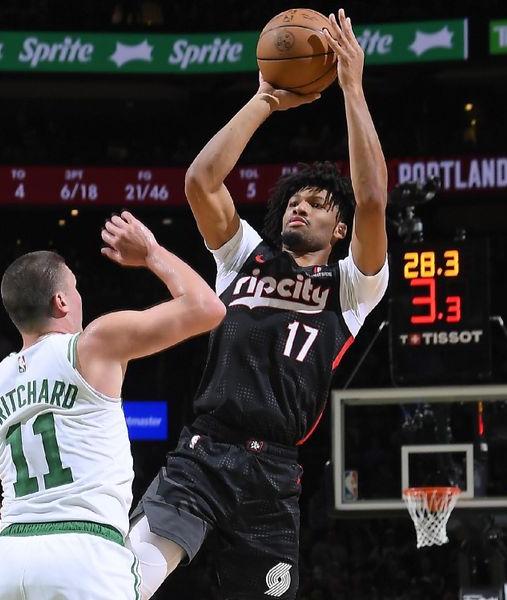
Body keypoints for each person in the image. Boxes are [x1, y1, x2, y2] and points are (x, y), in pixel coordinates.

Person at [127, 9, 389, 599]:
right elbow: (201, 181)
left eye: (319, 203)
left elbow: (372, 198)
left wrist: (352, 88)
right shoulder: (243, 257)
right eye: (295, 199)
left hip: (273, 474)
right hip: (204, 453)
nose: (301, 207)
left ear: (340, 229)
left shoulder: (352, 288)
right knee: (128, 579)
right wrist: (265, 100)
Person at [0, 211, 225, 600]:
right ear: (61, 300)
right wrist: (151, 251)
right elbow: (208, 308)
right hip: (85, 553)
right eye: (77, 289)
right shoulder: (91, 345)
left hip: (6, 564)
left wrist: (36, 528)